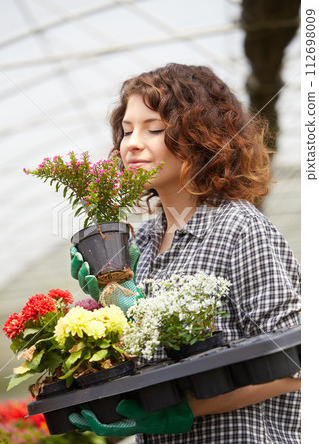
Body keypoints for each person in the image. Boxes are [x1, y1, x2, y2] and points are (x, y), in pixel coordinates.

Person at [69, 63, 301, 443]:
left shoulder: (239, 228)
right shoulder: (138, 242)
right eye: (127, 131)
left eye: (154, 129)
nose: (132, 143)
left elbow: (294, 364)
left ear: (201, 136)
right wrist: (110, 306)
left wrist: (187, 411)